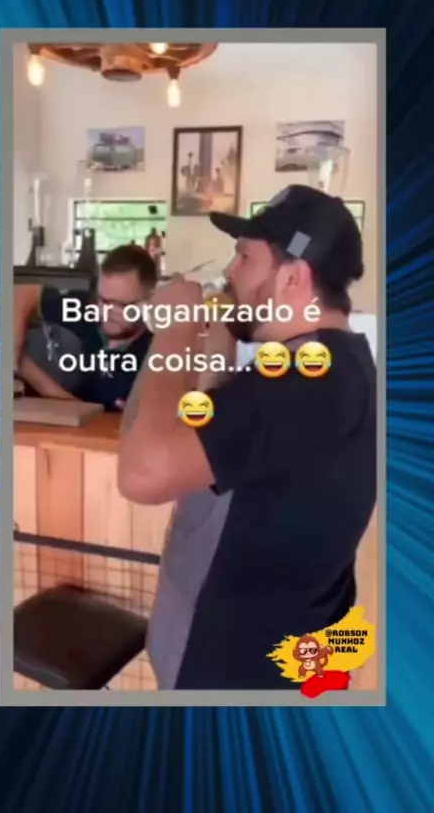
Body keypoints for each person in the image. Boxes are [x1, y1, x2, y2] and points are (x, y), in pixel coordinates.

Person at [118, 185, 376, 689]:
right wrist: (217, 334)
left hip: (233, 670)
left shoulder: (305, 377)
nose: (229, 271)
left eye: (244, 257)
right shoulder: (335, 364)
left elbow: (141, 475)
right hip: (275, 655)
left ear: (293, 278)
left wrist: (175, 331)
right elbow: (187, 429)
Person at [15, 244, 156, 411]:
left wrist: (27, 368)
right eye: (103, 299)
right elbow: (22, 293)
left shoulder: (151, 360)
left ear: (149, 302)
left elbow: (92, 416)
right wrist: (14, 354)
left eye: (121, 305)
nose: (104, 312)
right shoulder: (86, 310)